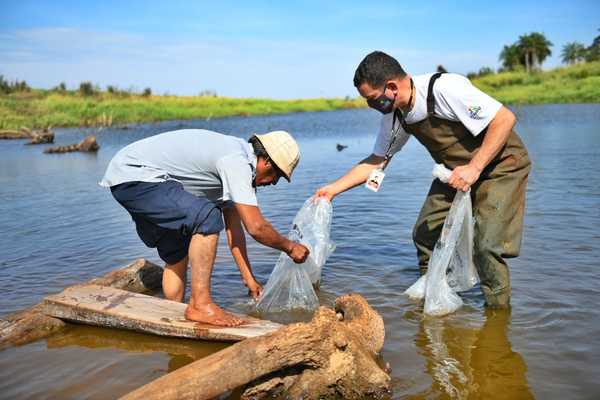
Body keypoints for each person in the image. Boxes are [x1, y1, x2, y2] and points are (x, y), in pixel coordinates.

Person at [315, 51, 531, 307]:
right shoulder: (395, 115)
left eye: (373, 100)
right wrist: (332, 190)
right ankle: (437, 300)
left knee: (486, 246)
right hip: (454, 171)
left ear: (392, 87)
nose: (371, 107)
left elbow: (504, 118)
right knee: (424, 233)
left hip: (500, 165)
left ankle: (497, 318)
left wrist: (474, 168)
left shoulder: (445, 89)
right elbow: (376, 161)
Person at [101, 129, 310, 326]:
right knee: (207, 217)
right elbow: (256, 227)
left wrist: (250, 280)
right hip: (136, 175)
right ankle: (200, 305)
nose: (273, 183)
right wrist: (290, 247)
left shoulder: (234, 168)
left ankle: (172, 313)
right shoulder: (236, 162)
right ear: (266, 162)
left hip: (130, 177)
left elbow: (235, 233)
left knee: (178, 250)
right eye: (278, 176)